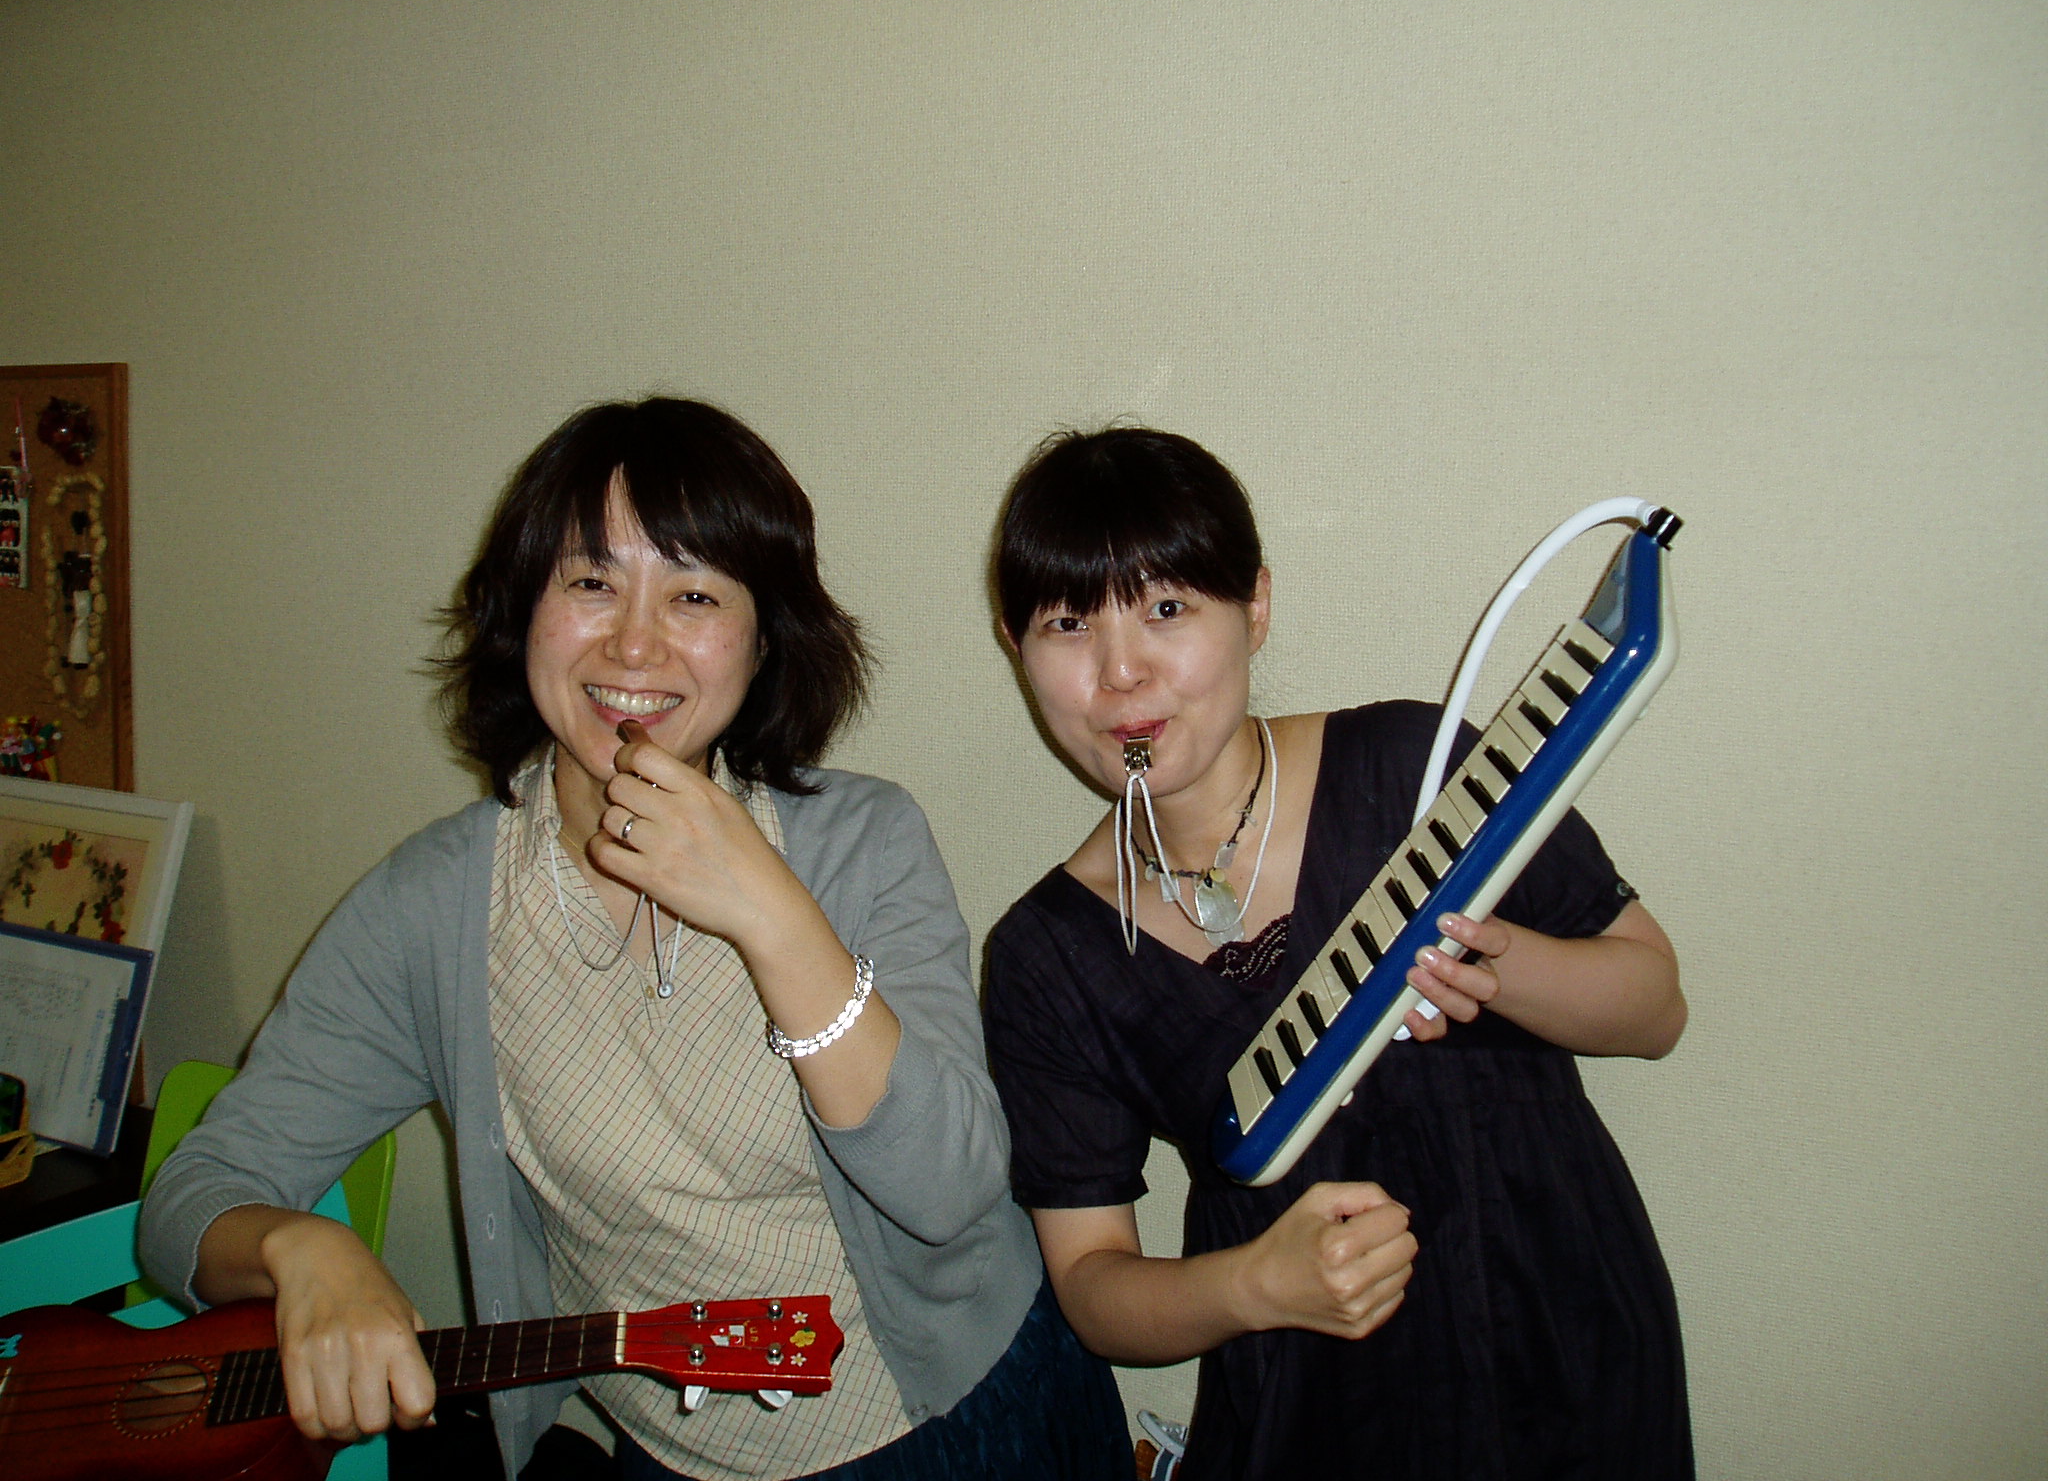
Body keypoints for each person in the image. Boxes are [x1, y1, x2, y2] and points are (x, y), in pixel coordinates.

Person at [140, 398, 1127, 1481]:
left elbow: (950, 1195)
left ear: (763, 639)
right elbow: (194, 1196)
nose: (635, 643)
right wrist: (303, 1249)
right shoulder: (434, 907)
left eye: (693, 594)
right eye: (590, 584)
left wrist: (771, 912)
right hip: (669, 1458)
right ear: (524, 611)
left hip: (965, 1419)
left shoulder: (863, 842)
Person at [981, 427, 1693, 1480]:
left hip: (1563, 1347)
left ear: (1255, 606)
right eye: (1068, 623)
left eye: (1167, 608)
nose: (1120, 672)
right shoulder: (1045, 957)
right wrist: (1254, 1285)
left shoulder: (1412, 766)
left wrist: (1499, 965)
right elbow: (1093, 1286)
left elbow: (1655, 1007)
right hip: (1306, 1414)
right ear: (1016, 644)